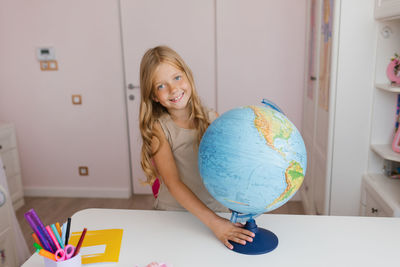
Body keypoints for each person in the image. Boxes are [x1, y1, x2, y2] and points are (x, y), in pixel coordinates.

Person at [138, 46, 254, 249]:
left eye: (176, 77)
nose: (173, 89)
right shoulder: (159, 129)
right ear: (154, 96)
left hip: (217, 211)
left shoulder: (212, 119)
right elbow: (173, 184)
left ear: (188, 77)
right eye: (161, 86)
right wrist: (215, 223)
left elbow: (227, 168)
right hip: (175, 215)